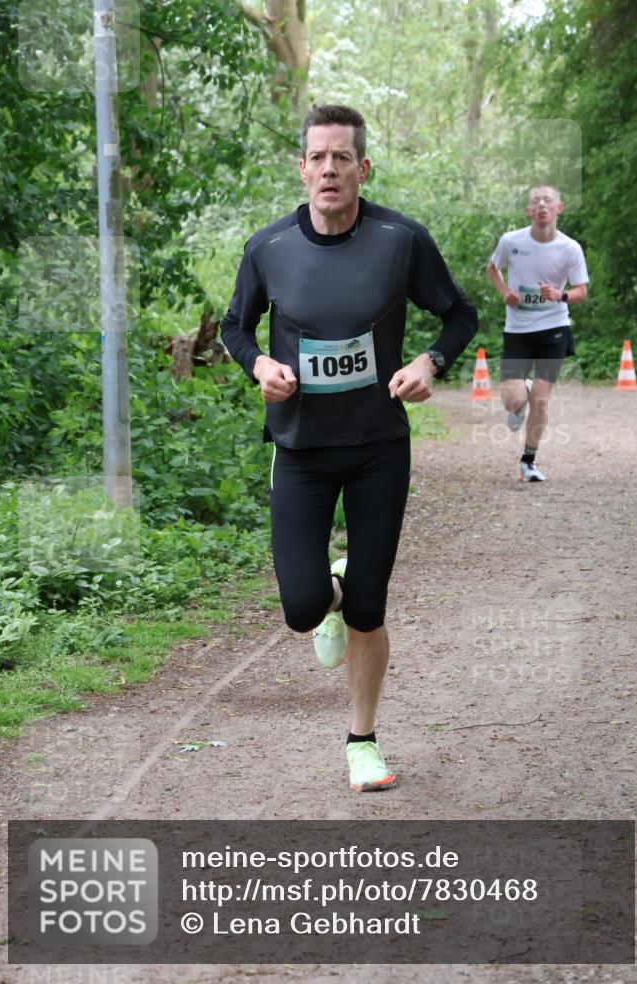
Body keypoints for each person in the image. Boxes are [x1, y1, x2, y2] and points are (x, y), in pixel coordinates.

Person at [221, 104, 477, 792]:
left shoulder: (399, 240)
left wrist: (428, 363)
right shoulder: (269, 248)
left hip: (377, 449)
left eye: (342, 157)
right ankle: (332, 586)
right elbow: (233, 326)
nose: (329, 169)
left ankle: (361, 741)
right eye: (317, 157)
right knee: (305, 607)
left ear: (362, 169)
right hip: (300, 449)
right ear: (300, 168)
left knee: (368, 606)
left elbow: (459, 313)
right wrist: (257, 367)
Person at [486, 185, 589, 481]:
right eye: (536, 202)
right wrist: (504, 291)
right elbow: (492, 268)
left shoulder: (570, 248)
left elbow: (581, 290)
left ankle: (528, 462)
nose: (542, 205)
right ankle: (523, 394)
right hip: (517, 330)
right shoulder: (511, 241)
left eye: (548, 200)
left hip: (554, 327)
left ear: (560, 208)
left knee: (542, 402)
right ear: (528, 211)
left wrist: (561, 295)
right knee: (511, 400)